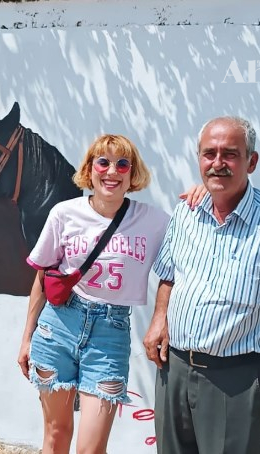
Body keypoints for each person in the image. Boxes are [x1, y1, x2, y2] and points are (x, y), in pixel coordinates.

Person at [143, 116, 260, 454]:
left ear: (252, 161)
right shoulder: (186, 212)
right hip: (174, 373)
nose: (218, 163)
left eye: (230, 154)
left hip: (237, 380)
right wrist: (160, 315)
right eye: (209, 154)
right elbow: (169, 273)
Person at [17, 134, 171, 454]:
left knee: (91, 448)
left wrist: (200, 193)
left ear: (132, 173)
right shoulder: (64, 213)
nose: (112, 171)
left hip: (109, 335)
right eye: (103, 162)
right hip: (57, 326)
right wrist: (27, 337)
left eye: (122, 164)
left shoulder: (154, 221)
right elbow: (43, 275)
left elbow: (187, 242)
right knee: (56, 434)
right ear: (90, 169)